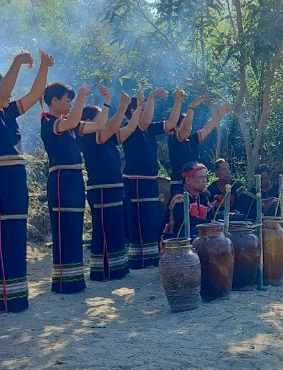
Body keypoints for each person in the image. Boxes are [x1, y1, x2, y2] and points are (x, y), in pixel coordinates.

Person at [0, 50, 52, 312]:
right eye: (1, 84)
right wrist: (16, 62)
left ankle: (15, 297)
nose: (6, 92)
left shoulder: (8, 113)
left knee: (16, 234)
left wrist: (44, 67)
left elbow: (36, 94)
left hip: (15, 176)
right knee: (2, 235)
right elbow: (4, 95)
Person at [41, 82, 102, 294]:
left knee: (75, 227)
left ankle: (75, 279)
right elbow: (76, 119)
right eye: (68, 100)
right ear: (54, 101)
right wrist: (83, 96)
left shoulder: (69, 124)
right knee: (64, 227)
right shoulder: (48, 121)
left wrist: (110, 104)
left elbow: (100, 126)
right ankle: (63, 282)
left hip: (75, 177)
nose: (70, 104)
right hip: (61, 178)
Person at [121, 88, 178, 269]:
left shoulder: (149, 129)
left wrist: (178, 101)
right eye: (142, 107)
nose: (147, 112)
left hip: (150, 179)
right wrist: (152, 96)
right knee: (139, 218)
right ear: (133, 111)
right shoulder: (129, 127)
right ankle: (138, 260)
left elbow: (170, 124)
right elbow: (143, 121)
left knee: (150, 217)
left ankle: (151, 257)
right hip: (135, 180)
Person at [80, 88, 130, 282]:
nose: (105, 121)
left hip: (113, 188)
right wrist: (118, 104)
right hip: (101, 189)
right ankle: (103, 272)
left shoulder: (107, 139)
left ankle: (117, 269)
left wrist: (135, 108)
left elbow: (130, 128)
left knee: (116, 228)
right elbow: (109, 128)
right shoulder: (93, 137)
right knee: (105, 229)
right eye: (100, 118)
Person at [167, 95, 231, 196]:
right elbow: (186, 129)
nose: (188, 126)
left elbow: (207, 129)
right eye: (184, 124)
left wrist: (218, 115)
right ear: (176, 128)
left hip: (195, 188)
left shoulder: (191, 140)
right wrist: (192, 108)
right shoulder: (174, 140)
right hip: (180, 187)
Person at [168, 162, 213, 237]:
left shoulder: (203, 198)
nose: (204, 180)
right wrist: (210, 223)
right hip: (177, 237)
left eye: (205, 177)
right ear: (188, 179)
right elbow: (183, 223)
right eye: (200, 177)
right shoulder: (179, 198)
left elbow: (209, 217)